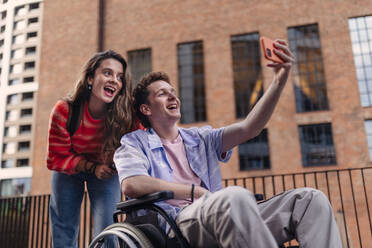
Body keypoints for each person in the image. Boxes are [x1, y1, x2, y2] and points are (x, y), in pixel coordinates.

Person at [114, 40, 342, 247]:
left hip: (223, 212)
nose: (173, 97)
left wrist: (279, 81)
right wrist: (195, 192)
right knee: (234, 197)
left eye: (173, 92)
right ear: (146, 109)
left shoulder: (201, 138)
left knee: (310, 201)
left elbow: (249, 128)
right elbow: (132, 183)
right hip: (176, 222)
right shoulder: (135, 142)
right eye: (162, 94)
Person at [47, 50, 138, 247]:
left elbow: (141, 140)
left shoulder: (126, 112)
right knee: (63, 227)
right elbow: (57, 157)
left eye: (119, 77)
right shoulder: (64, 111)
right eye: (107, 73)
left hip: (105, 172)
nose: (114, 80)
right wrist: (91, 167)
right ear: (90, 78)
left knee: (108, 228)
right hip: (68, 172)